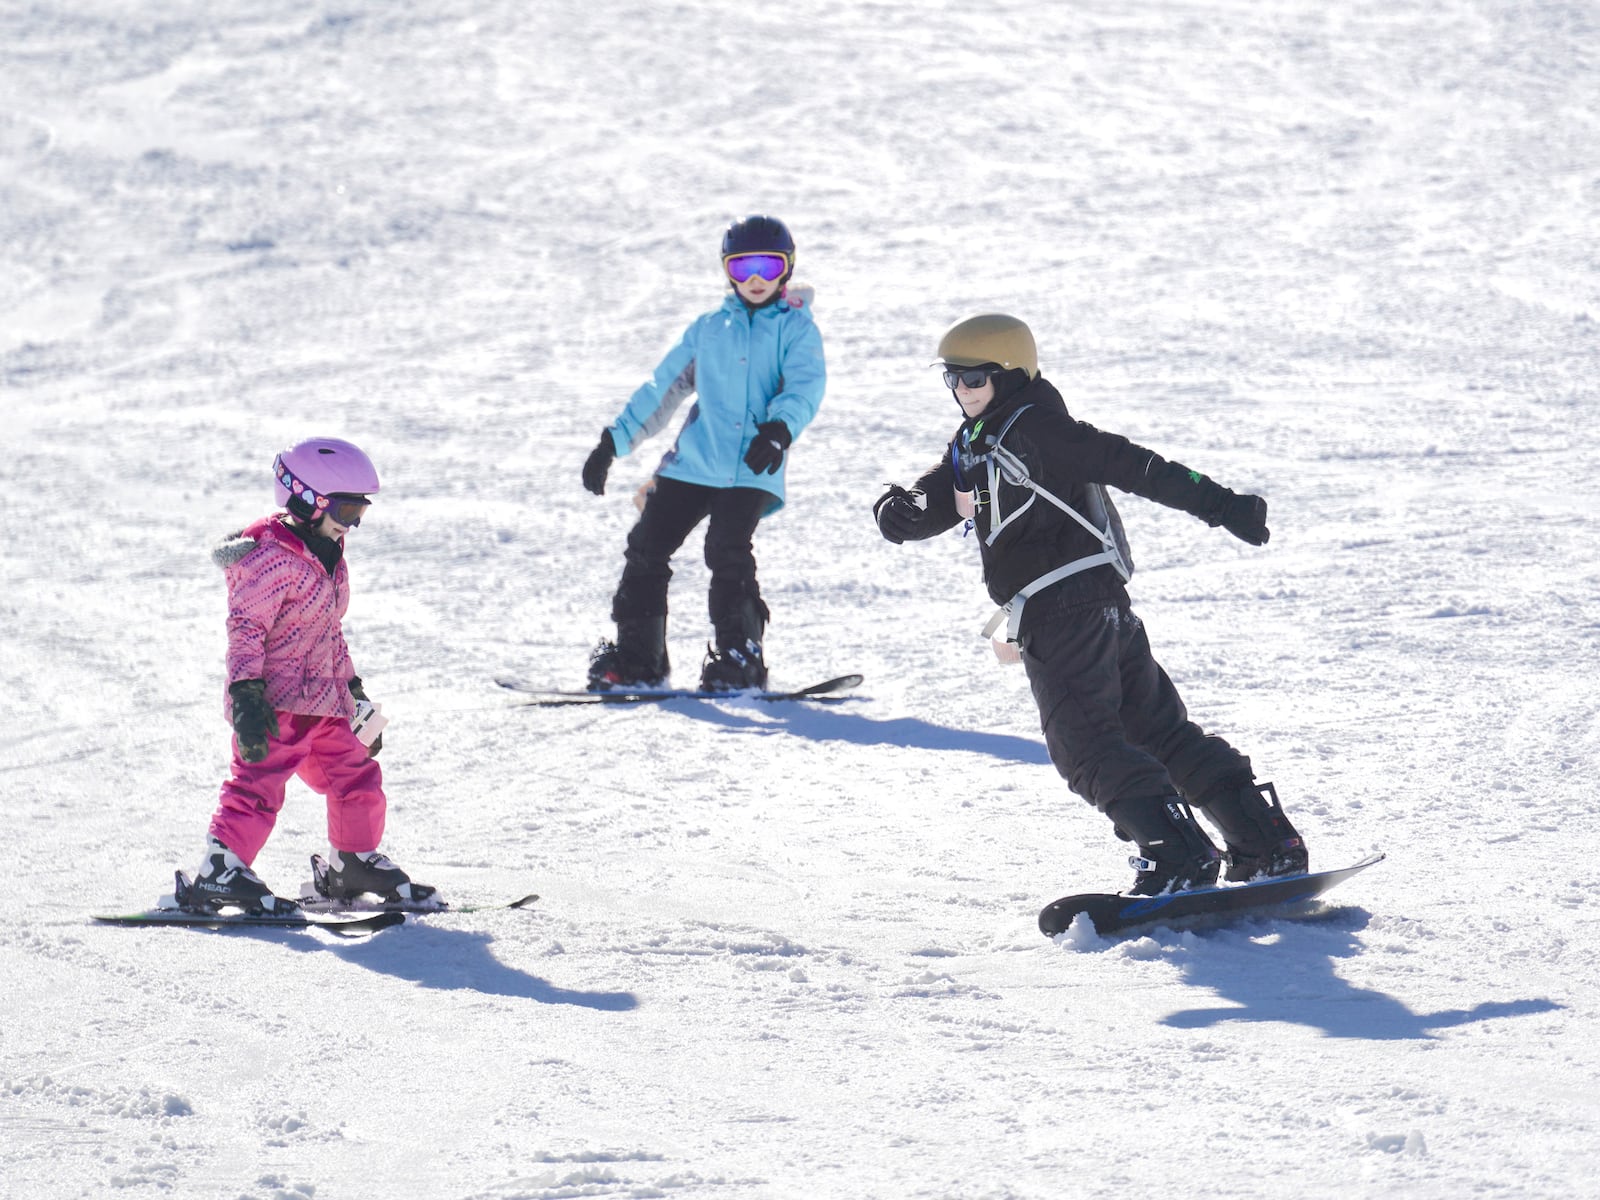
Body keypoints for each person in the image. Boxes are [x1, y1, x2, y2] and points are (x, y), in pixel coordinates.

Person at [873, 314, 1307, 896]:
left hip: (1064, 612)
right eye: (952, 380)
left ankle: (1177, 855)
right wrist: (899, 514)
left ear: (1010, 376)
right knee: (1157, 731)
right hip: (1102, 608)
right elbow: (941, 494)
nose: (962, 392)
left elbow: (1132, 464)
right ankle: (1263, 840)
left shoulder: (1039, 429)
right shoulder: (978, 441)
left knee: (1084, 745)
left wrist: (1222, 505)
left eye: (975, 380)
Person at [580, 214, 827, 691]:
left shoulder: (796, 329)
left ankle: (740, 656)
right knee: (647, 546)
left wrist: (779, 430)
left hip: (752, 465)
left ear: (787, 270)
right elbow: (663, 389)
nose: (755, 280)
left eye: (767, 267)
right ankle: (638, 658)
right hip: (693, 463)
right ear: (726, 271)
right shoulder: (709, 329)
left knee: (726, 550)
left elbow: (804, 386)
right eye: (742, 268)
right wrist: (612, 442)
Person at [189, 436, 435, 914]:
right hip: (273, 702)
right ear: (306, 500)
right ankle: (220, 869)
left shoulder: (329, 554)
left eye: (360, 514)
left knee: (356, 775)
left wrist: (354, 692)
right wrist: (246, 697)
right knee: (257, 785)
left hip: (325, 701)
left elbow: (329, 635)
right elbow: (245, 630)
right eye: (346, 512)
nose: (354, 525)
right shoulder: (268, 556)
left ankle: (352, 861)